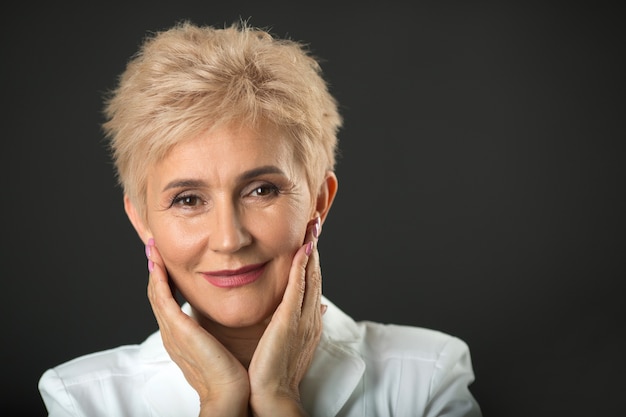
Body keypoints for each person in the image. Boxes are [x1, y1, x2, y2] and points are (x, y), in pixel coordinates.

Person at [38, 20, 482, 417]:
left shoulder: (428, 378)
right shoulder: (82, 400)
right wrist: (219, 401)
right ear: (142, 221)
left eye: (261, 190)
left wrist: (280, 398)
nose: (229, 239)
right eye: (188, 200)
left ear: (319, 202)